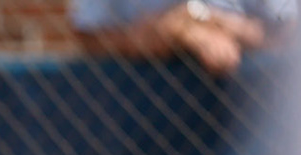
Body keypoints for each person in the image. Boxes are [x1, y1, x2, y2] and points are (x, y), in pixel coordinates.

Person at [73, 0, 292, 76]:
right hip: (143, 127)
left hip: (254, 122)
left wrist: (207, 20)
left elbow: (289, 31)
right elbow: (89, 36)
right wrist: (174, 33)